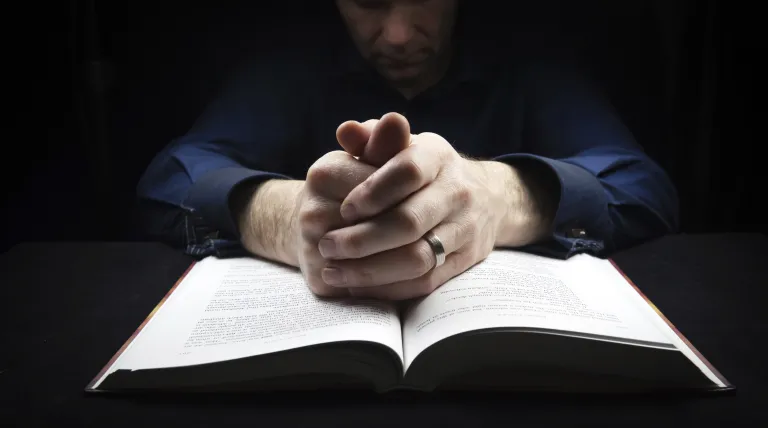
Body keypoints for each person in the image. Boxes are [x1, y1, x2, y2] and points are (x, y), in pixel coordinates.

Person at [136, 0, 679, 300]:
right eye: (368, 2)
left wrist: (495, 196)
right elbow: (171, 177)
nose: (397, 34)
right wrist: (286, 217)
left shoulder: (531, 66)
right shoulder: (287, 71)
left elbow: (642, 185)